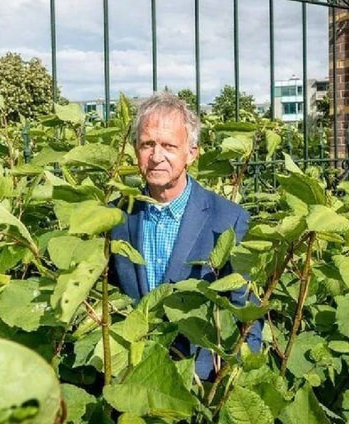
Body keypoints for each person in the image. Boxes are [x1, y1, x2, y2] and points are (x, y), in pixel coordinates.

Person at [110, 91, 262, 380]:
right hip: (133, 376)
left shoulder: (229, 219)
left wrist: (229, 385)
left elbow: (247, 318)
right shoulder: (118, 216)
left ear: (191, 153)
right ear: (135, 149)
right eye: (147, 144)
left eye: (169, 145)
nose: (156, 156)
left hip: (201, 380)